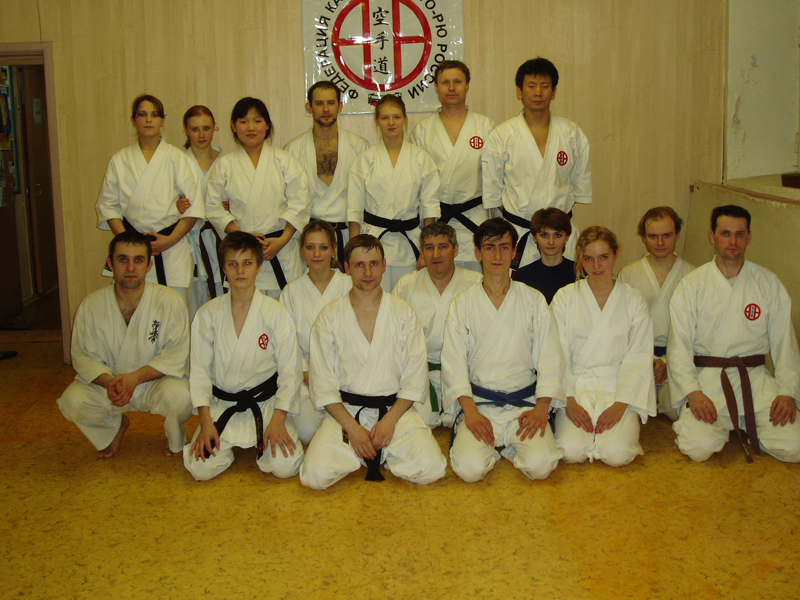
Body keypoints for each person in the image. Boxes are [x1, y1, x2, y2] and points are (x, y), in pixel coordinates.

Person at [299, 235, 447, 489]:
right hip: (346, 414)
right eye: (359, 265)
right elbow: (322, 384)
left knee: (433, 468)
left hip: (395, 412)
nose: (368, 273)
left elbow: (415, 379)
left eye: (374, 264)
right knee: (314, 475)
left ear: (384, 265)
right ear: (347, 268)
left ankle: (379, 450)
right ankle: (365, 449)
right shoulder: (329, 316)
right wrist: (353, 430)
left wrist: (389, 422)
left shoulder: (403, 313)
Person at [668, 205, 800, 463]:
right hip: (709, 382)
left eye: (740, 234)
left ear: (749, 237)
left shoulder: (768, 283)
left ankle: (747, 425)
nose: (732, 241)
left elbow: (785, 344)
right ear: (712, 236)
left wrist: (787, 391)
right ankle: (733, 425)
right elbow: (678, 347)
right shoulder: (692, 285)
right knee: (698, 448)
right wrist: (693, 391)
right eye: (725, 233)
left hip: (755, 382)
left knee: (795, 446)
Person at [441, 218, 564, 482]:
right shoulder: (462, 304)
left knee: (541, 466)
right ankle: (500, 443)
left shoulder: (533, 300)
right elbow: (454, 363)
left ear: (514, 252)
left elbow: (550, 358)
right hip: (480, 405)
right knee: (469, 470)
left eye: (504, 247)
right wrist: (470, 413)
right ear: (478, 253)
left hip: (524, 406)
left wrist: (542, 408)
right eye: (490, 248)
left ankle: (511, 444)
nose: (497, 255)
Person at [57, 231, 192, 458]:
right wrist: (109, 382)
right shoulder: (91, 305)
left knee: (182, 396)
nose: (130, 267)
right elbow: (83, 356)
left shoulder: (170, 302)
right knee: (73, 401)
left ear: (149, 266)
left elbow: (176, 354)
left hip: (154, 383)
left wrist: (135, 378)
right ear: (110, 264)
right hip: (110, 386)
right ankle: (112, 428)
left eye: (138, 260)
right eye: (123, 260)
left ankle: (175, 436)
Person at [184, 231, 305, 481]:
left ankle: (265, 434)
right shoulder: (207, 315)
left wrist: (279, 417)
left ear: (259, 266)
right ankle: (224, 441)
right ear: (224, 268)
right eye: (233, 264)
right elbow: (200, 372)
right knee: (200, 469)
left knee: (285, 467)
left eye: (247, 263)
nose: (240, 271)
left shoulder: (275, 313)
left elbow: (290, 371)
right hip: (222, 405)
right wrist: (205, 422)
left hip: (266, 404)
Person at [550, 226, 656, 466]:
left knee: (618, 454)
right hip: (575, 387)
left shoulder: (633, 300)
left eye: (603, 257)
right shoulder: (565, 298)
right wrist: (569, 401)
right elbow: (556, 352)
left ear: (616, 254)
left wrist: (621, 404)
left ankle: (613, 430)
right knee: (570, 451)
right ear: (580, 259)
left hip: (617, 387)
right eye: (588, 259)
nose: (596, 266)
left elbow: (639, 356)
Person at [482, 58, 591, 270]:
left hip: (561, 237)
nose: (538, 92)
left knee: (566, 288)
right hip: (519, 232)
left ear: (554, 91)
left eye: (545, 86)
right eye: (531, 86)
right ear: (520, 91)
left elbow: (578, 187)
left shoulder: (571, 134)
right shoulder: (502, 136)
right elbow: (493, 191)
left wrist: (553, 227)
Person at [96, 94, 204, 303]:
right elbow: (108, 207)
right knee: (133, 311)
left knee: (175, 311)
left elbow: (195, 208)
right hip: (133, 254)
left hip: (172, 249)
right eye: (142, 114)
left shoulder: (178, 158)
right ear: (134, 119)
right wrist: (130, 245)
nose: (148, 120)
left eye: (154, 115)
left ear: (162, 120)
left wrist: (169, 240)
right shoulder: (120, 160)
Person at [205, 97, 310, 299]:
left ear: (267, 125)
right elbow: (213, 207)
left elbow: (300, 203)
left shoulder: (285, 161)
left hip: (281, 250)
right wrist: (242, 238)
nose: (251, 127)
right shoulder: (225, 165)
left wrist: (282, 240)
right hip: (242, 254)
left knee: (285, 309)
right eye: (243, 121)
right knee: (245, 310)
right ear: (233, 126)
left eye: (257, 121)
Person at [392, 222, 482, 428]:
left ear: (456, 250)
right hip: (421, 371)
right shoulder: (406, 285)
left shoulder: (476, 283)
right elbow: (393, 336)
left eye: (443, 247)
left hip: (464, 372)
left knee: (465, 421)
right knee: (421, 422)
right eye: (429, 248)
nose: (436, 255)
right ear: (422, 252)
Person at [347, 94, 440, 291]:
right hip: (372, 244)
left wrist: (427, 249)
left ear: (405, 119)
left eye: (396, 117)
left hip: (410, 243)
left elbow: (429, 209)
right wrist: (353, 251)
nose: (391, 123)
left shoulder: (421, 159)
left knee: (409, 299)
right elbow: (354, 209)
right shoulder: (365, 160)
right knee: (373, 300)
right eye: (385, 117)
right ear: (377, 121)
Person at [409, 60, 493, 273]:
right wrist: (423, 238)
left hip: (475, 223)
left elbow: (496, 182)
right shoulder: (423, 131)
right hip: (437, 226)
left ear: (467, 85)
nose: (452, 87)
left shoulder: (485, 127)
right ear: (436, 87)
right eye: (445, 83)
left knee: (476, 288)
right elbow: (416, 187)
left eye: (458, 82)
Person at [618, 206, 695, 421]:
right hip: (637, 356)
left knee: (680, 409)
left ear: (677, 235)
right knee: (625, 406)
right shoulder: (629, 274)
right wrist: (649, 360)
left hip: (677, 358)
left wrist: (667, 361)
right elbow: (620, 327)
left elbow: (698, 330)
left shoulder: (693, 275)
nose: (660, 243)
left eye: (667, 235)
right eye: (653, 236)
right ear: (643, 238)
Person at [279, 220, 352, 445]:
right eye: (310, 247)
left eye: (323, 247)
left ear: (334, 250)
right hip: (307, 375)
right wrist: (308, 375)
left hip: (347, 374)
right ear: (302, 250)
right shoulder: (291, 291)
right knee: (306, 431)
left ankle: (338, 426)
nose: (317, 254)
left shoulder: (349, 286)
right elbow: (287, 343)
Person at [285, 81, 370, 262]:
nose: (325, 109)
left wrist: (355, 242)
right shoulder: (293, 150)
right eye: (319, 103)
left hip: (347, 234)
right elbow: (285, 198)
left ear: (340, 106)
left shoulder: (359, 147)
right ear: (309, 107)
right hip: (309, 238)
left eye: (331, 103)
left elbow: (369, 197)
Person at [178, 105, 224, 318]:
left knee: (222, 304)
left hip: (220, 239)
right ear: (186, 131)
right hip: (189, 240)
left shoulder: (227, 161)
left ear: (215, 128)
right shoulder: (178, 161)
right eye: (195, 129)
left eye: (206, 128)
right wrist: (176, 207)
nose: (202, 135)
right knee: (193, 305)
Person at [512, 207, 575, 303]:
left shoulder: (579, 273)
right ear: (535, 237)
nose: (551, 242)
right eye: (544, 235)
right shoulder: (522, 277)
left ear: (567, 238)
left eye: (558, 235)